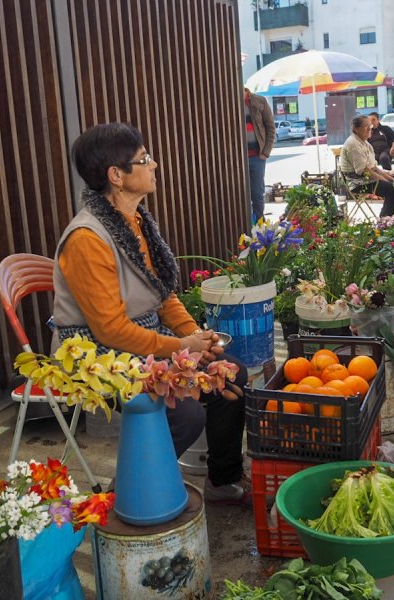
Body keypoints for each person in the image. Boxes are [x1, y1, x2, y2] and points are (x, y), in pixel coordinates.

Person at [51, 123, 250, 505]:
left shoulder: (136, 221)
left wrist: (198, 338)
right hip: (96, 355)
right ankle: (126, 494)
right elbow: (109, 330)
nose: (154, 165)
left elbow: (163, 296)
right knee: (185, 413)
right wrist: (180, 345)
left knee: (230, 373)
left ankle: (222, 481)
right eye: (144, 160)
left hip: (145, 342)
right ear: (117, 176)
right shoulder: (87, 239)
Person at [339, 114, 394, 217]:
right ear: (356, 129)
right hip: (357, 183)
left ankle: (386, 218)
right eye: (366, 127)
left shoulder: (364, 142)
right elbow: (364, 170)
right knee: (393, 190)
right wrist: (382, 180)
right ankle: (384, 220)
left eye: (370, 126)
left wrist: (389, 178)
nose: (369, 129)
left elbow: (373, 167)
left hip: (365, 178)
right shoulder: (353, 144)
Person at [244, 87, 275, 223]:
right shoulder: (229, 102)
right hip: (238, 160)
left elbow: (270, 127)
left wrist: (265, 152)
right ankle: (245, 225)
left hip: (257, 156)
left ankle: (260, 225)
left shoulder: (259, 101)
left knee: (257, 194)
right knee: (240, 195)